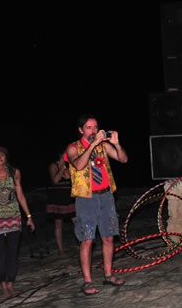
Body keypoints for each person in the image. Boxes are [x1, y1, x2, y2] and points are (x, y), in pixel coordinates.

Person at [65, 115, 127, 296]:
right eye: (89, 128)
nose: (93, 131)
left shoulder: (103, 146)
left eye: (95, 127)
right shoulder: (73, 148)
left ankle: (108, 274)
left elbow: (123, 159)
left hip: (106, 196)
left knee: (108, 237)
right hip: (86, 198)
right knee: (87, 239)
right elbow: (78, 165)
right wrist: (92, 145)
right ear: (81, 130)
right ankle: (87, 281)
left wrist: (116, 143)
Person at [0, 146, 35, 299]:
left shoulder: (14, 172)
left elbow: (20, 195)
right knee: (0, 255)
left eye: (1, 155)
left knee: (12, 254)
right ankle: (3, 286)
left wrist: (29, 216)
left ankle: (11, 284)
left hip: (13, 218)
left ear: (6, 157)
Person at [46, 151, 75, 254]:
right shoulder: (53, 165)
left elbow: (71, 178)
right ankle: (61, 249)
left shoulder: (71, 164)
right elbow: (55, 180)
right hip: (57, 197)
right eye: (65, 154)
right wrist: (62, 166)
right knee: (58, 223)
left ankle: (83, 243)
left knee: (76, 220)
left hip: (69, 196)